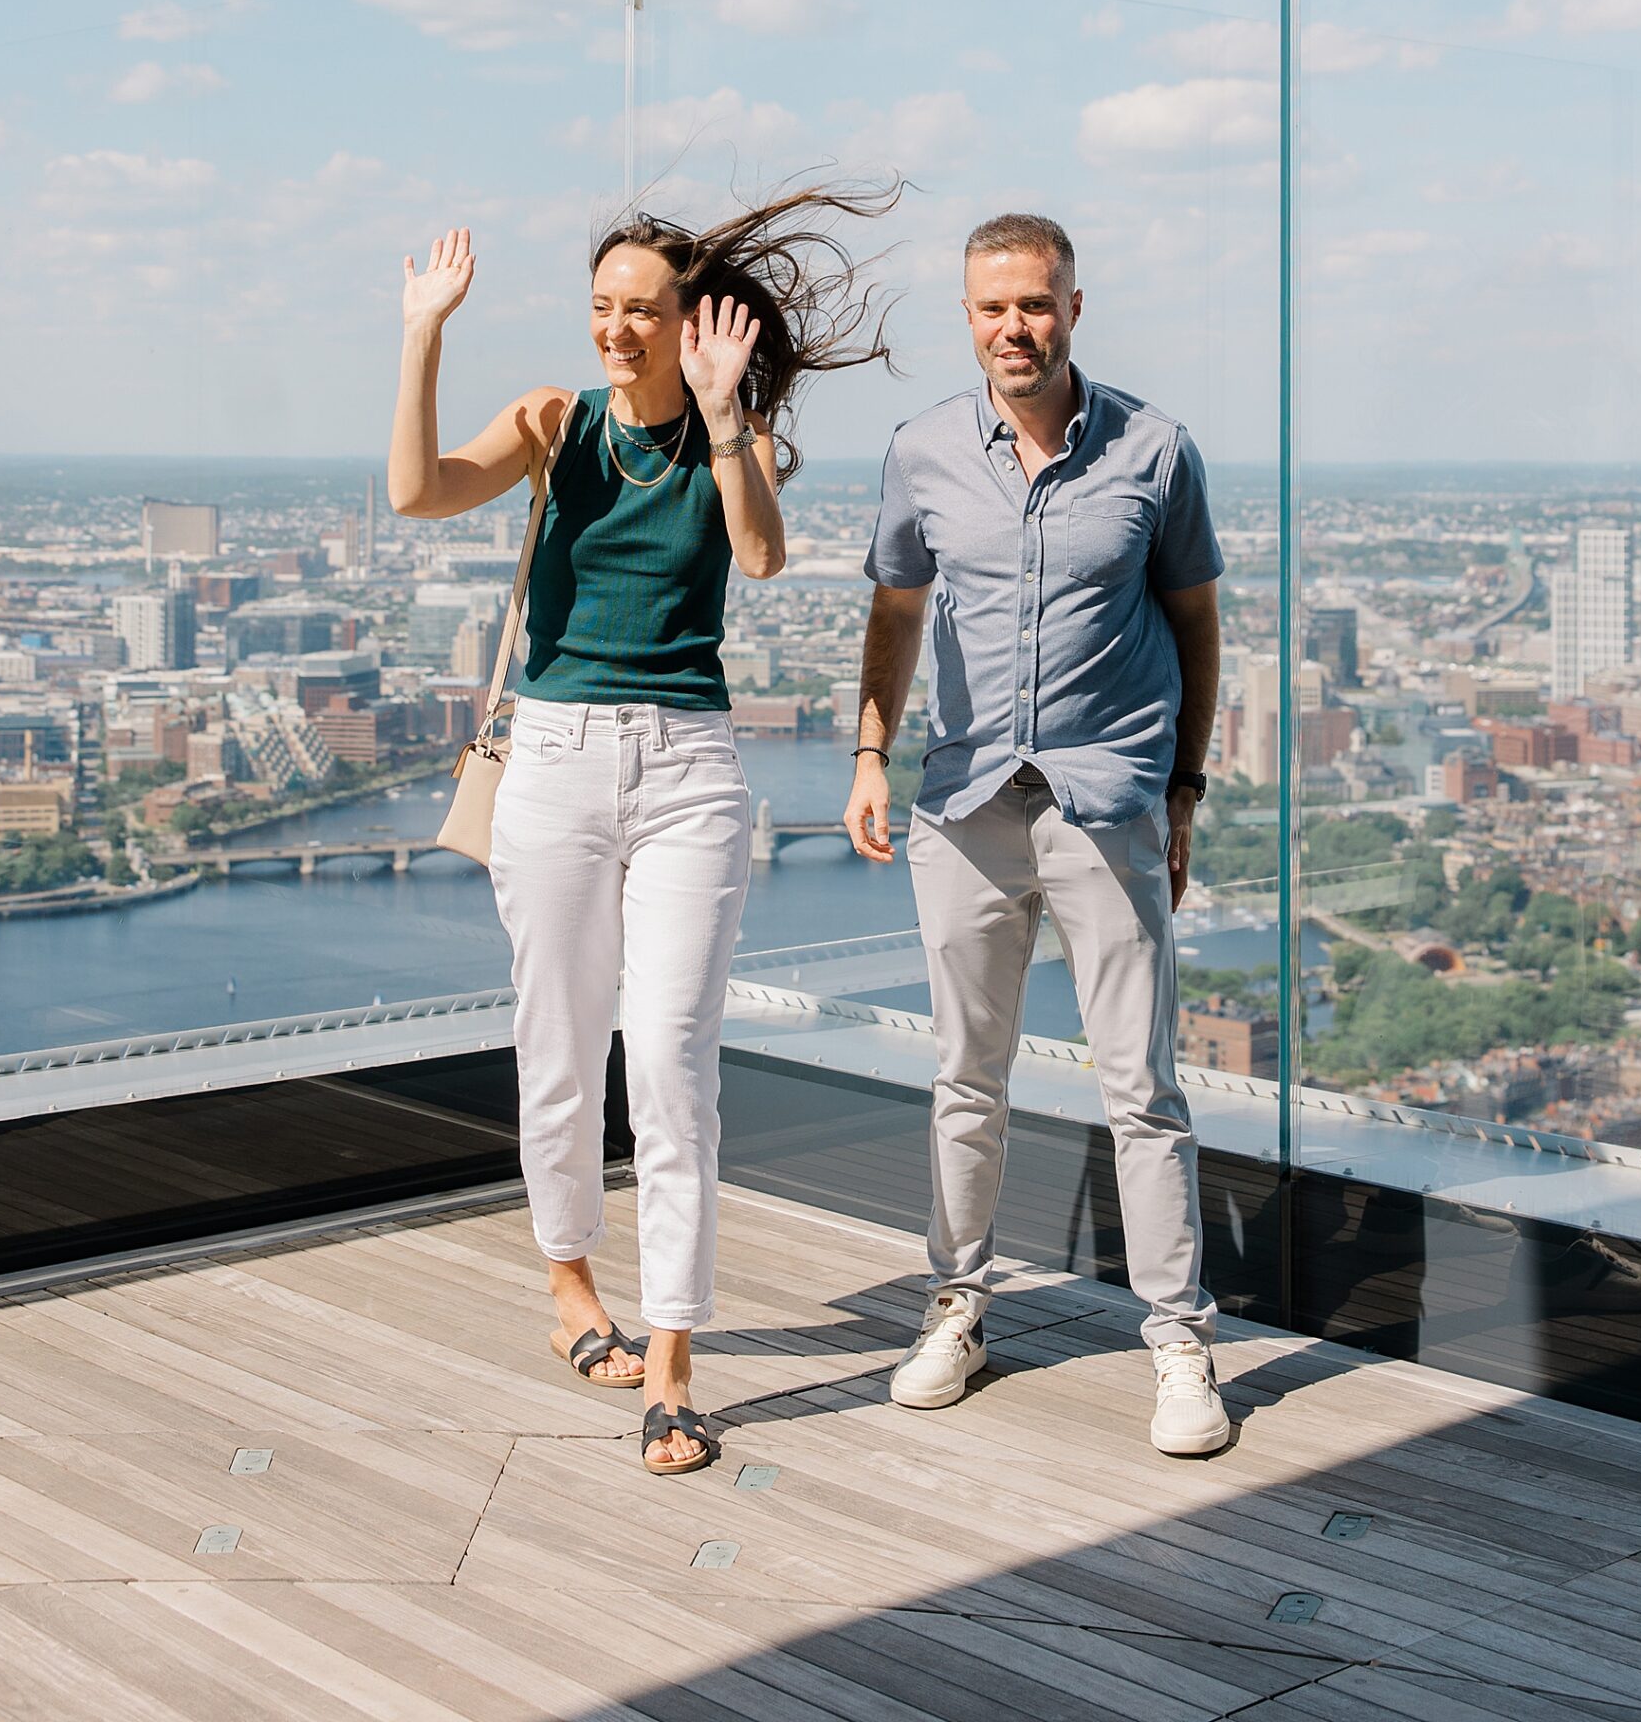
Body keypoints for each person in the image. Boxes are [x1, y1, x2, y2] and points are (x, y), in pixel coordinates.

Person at [390, 188, 894, 1476]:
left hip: (687, 769)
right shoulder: (554, 425)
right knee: (556, 1042)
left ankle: (673, 1361)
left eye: (644, 311)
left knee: (670, 1061)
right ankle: (571, 1287)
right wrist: (423, 333)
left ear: (689, 324)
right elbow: (415, 492)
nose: (618, 330)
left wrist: (727, 420)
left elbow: (763, 557)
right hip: (554, 760)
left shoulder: (744, 439)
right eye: (604, 308)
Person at [844, 211, 1230, 1456]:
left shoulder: (1156, 451)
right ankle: (955, 1305)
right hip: (962, 804)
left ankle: (1178, 1338)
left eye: (1038, 304)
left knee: (1143, 1087)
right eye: (993, 306)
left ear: (1074, 307)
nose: (1016, 327)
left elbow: (1197, 623)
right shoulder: (921, 452)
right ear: (969, 316)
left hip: (1107, 801)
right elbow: (896, 612)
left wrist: (1183, 785)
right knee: (967, 1077)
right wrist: (868, 750)